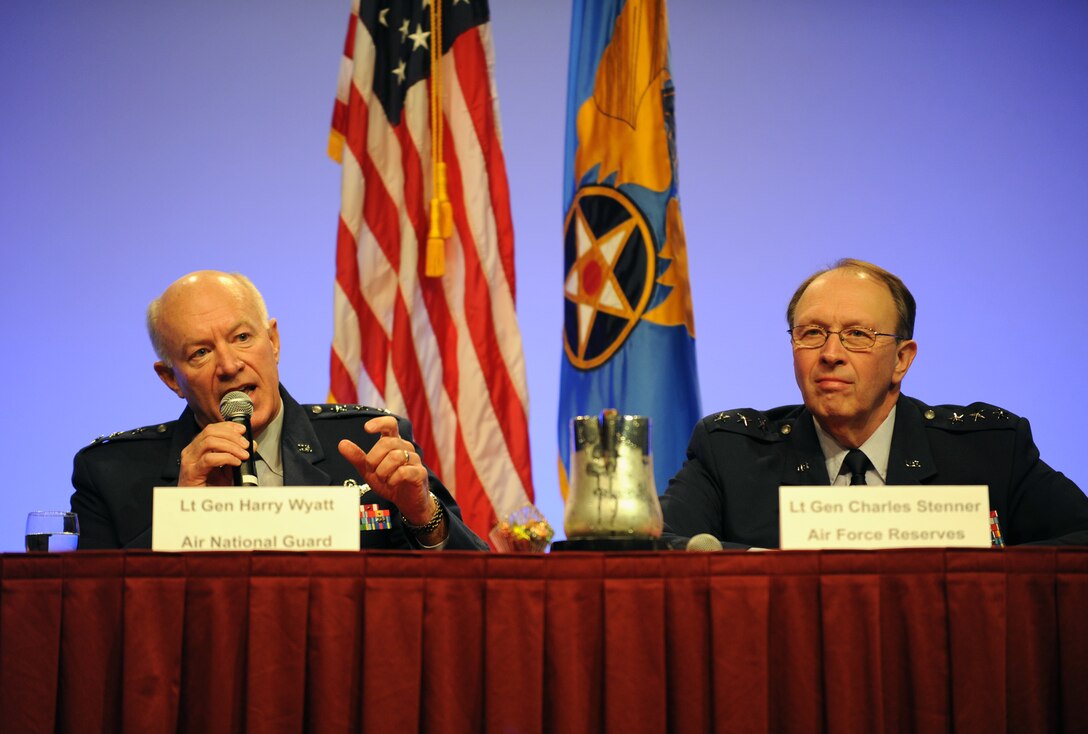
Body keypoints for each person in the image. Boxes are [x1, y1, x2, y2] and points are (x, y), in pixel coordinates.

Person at [662, 258, 1088, 548]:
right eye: (811, 333)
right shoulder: (730, 452)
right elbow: (656, 546)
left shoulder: (991, 451)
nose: (830, 353)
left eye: (858, 335)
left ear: (902, 359)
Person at [71, 270, 488, 551]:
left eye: (241, 337)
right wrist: (183, 519)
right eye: (200, 352)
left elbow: (475, 588)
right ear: (170, 378)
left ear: (273, 341)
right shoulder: (111, 474)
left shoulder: (368, 439)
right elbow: (97, 624)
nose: (230, 365)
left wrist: (422, 514)